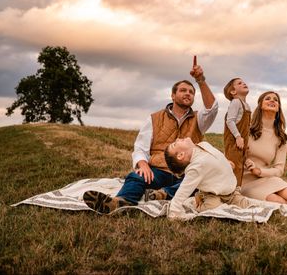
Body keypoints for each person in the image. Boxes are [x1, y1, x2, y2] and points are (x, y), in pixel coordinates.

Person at [83, 56, 219, 214]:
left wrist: (200, 80)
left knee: (200, 183)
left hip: (188, 172)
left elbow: (212, 109)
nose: (188, 94)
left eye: (191, 92)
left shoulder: (199, 120)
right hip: (159, 171)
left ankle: (163, 194)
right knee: (136, 177)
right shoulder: (154, 118)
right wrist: (143, 165)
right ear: (173, 96)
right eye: (183, 90)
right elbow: (140, 147)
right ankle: (120, 202)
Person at [241, 91, 287, 205]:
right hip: (244, 181)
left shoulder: (281, 137)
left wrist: (259, 171)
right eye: (268, 98)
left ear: (278, 108)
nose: (272, 100)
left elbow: (279, 169)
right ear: (260, 105)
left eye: (275, 100)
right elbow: (233, 154)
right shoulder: (247, 130)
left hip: (265, 177)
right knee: (276, 201)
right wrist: (246, 160)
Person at [164, 137, 250, 220]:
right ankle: (198, 203)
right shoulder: (196, 167)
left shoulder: (203, 145)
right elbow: (183, 191)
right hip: (211, 194)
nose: (177, 139)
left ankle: (203, 196)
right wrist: (174, 211)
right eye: (174, 144)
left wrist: (226, 163)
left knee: (246, 205)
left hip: (231, 192)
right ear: (181, 155)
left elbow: (214, 159)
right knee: (212, 208)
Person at [223, 78, 251, 186]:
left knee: (240, 167)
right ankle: (231, 190)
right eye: (239, 83)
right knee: (234, 166)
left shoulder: (246, 105)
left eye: (244, 82)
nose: (244, 83)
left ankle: (237, 190)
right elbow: (230, 121)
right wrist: (238, 137)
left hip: (242, 143)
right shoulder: (236, 102)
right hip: (234, 143)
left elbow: (247, 126)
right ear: (233, 92)